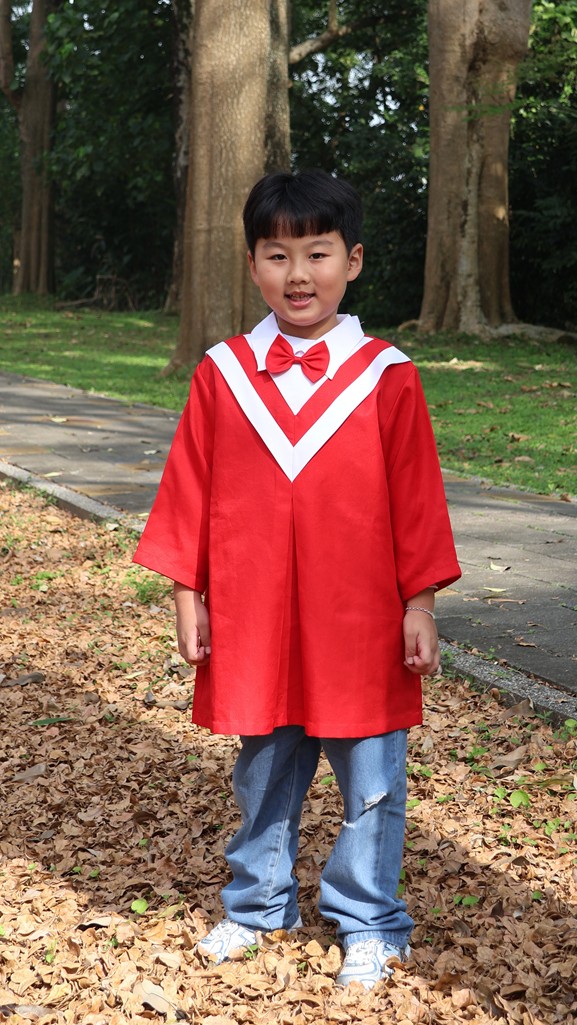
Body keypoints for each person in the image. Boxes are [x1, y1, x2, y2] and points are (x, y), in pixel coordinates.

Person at [133, 169, 461, 990]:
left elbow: (416, 496)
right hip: (257, 615)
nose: (298, 274)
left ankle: (369, 921)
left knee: (371, 779)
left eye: (317, 253)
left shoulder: (386, 373)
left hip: (360, 618)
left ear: (353, 261)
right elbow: (189, 488)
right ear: (252, 266)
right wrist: (186, 594)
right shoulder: (224, 372)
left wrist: (419, 603)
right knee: (264, 769)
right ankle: (257, 906)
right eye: (277, 256)